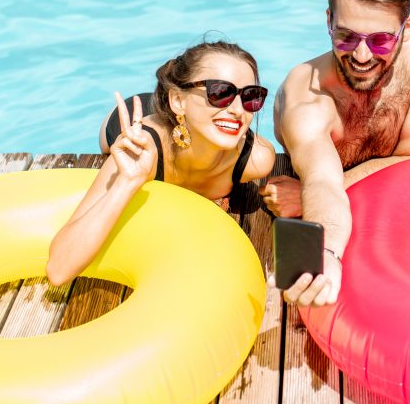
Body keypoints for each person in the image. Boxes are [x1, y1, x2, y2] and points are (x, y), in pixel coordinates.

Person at [264, 0, 410, 307]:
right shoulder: (307, 95)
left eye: (380, 41)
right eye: (346, 37)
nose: (362, 55)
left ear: (407, 28)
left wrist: (303, 196)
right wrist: (326, 253)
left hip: (382, 195)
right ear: (329, 21)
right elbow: (322, 182)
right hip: (330, 195)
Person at [46, 41, 275, 286]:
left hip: (186, 121)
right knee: (110, 141)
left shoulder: (256, 159)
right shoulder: (141, 147)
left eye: (250, 96)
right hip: (146, 116)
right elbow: (59, 270)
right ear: (178, 99)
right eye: (220, 93)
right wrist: (128, 180)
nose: (238, 110)